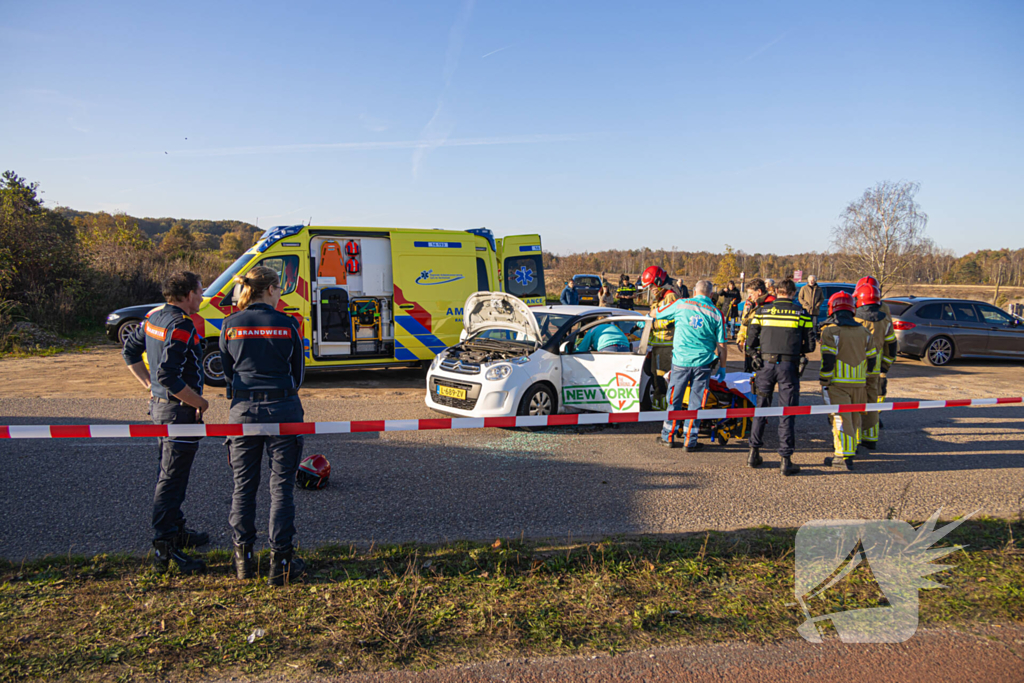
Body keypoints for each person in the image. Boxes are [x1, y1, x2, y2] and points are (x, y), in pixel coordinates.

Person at [220, 266, 308, 586]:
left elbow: (227, 373)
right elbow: (298, 373)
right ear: (270, 289)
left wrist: (243, 397)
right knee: (281, 486)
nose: (281, 294)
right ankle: (280, 562)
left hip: (243, 411)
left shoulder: (230, 324)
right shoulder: (288, 324)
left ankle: (243, 559)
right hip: (283, 407)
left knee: (244, 486)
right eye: (280, 289)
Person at [123, 271, 210, 575]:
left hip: (161, 408)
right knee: (171, 479)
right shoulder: (181, 325)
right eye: (200, 291)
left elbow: (130, 351)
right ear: (187, 294)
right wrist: (198, 402)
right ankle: (164, 545)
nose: (202, 297)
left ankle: (177, 530)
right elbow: (168, 376)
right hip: (178, 412)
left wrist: (147, 384)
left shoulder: (153, 319)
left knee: (172, 474)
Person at [744, 278, 814, 476]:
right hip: (788, 366)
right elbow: (810, 346)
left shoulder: (762, 311)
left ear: (776, 291)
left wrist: (756, 354)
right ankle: (785, 460)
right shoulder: (802, 314)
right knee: (787, 411)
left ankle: (753, 453)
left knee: (761, 408)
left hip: (765, 365)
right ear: (792, 294)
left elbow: (750, 342)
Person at [652, 280, 728, 451]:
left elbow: (656, 314)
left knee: (674, 399)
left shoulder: (681, 304)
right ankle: (690, 441)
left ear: (694, 292)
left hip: (680, 362)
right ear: (710, 295)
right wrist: (723, 367)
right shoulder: (716, 313)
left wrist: (650, 313)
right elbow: (722, 345)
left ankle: (668, 436)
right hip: (703, 364)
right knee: (696, 402)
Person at [819, 292, 877, 471]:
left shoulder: (830, 331)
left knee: (839, 419)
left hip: (837, 384)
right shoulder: (865, 332)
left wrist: (824, 379)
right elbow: (872, 360)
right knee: (854, 417)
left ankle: (842, 457)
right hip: (859, 383)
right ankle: (851, 450)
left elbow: (828, 360)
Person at [854, 279, 897, 451]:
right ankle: (870, 438)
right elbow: (892, 345)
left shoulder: (854, 318)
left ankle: (854, 440)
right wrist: (885, 367)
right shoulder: (884, 320)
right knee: (872, 404)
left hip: (855, 370)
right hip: (874, 370)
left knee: (855, 404)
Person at [640, 266, 680, 407]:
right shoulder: (659, 298)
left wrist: (651, 323)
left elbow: (671, 321)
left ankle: (664, 411)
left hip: (667, 346)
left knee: (663, 380)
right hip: (657, 346)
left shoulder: (670, 297)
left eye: (651, 286)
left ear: (659, 281)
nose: (650, 289)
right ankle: (658, 408)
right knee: (656, 378)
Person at [736, 278, 775, 373]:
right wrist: (741, 338)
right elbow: (745, 322)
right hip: (750, 346)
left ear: (759, 291)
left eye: (751, 293)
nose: (749, 296)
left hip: (764, 348)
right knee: (748, 374)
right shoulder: (749, 303)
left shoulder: (771, 304)